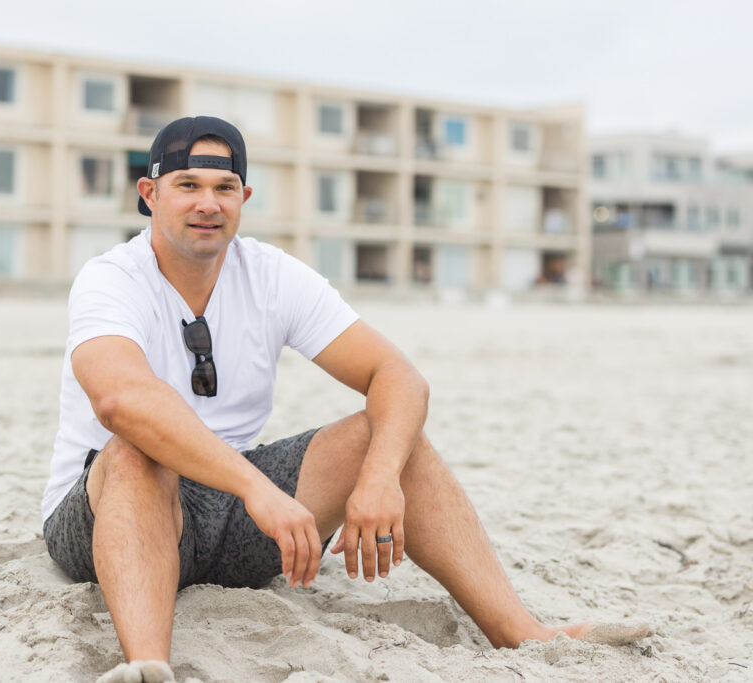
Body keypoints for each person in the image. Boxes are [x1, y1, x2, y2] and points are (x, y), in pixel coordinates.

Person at [41, 116, 648, 683]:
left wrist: (381, 478)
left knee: (383, 434)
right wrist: (259, 490)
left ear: (244, 200)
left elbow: (398, 375)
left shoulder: (271, 275)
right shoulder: (112, 277)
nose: (208, 203)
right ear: (149, 194)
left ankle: (522, 634)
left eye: (225, 187)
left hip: (237, 520)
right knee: (135, 450)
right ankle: (149, 666)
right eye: (188, 185)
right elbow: (121, 399)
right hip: (107, 514)